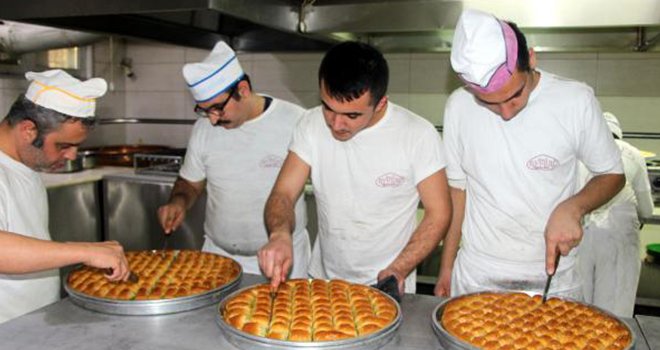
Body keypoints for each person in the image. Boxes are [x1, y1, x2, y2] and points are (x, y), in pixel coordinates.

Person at [434, 9, 624, 300]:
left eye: (514, 96)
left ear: (531, 59)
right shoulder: (459, 106)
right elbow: (458, 192)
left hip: (552, 277)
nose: (506, 113)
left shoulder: (574, 100)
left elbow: (612, 174)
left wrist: (574, 207)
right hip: (477, 274)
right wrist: (446, 266)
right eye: (490, 104)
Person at [258, 41, 452, 295]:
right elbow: (283, 193)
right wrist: (280, 234)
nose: (336, 124)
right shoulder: (310, 125)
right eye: (328, 107)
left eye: (352, 116)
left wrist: (399, 269)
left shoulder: (418, 135)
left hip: (386, 283)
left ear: (381, 103)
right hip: (322, 281)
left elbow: (439, 212)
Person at [157, 41, 311, 277]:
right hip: (218, 260)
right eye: (204, 110)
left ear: (244, 89)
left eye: (218, 108)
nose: (213, 120)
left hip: (283, 259)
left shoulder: (296, 121)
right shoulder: (203, 129)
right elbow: (190, 183)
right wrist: (179, 201)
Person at [0, 69, 130, 323]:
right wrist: (82, 251)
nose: (72, 156)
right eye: (64, 146)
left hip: (34, 321)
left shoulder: (26, 163)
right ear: (28, 130)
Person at [578, 112, 654, 317]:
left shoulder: (580, 154)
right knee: (615, 311)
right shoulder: (633, 154)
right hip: (619, 238)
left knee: (580, 306)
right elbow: (646, 209)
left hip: (581, 237)